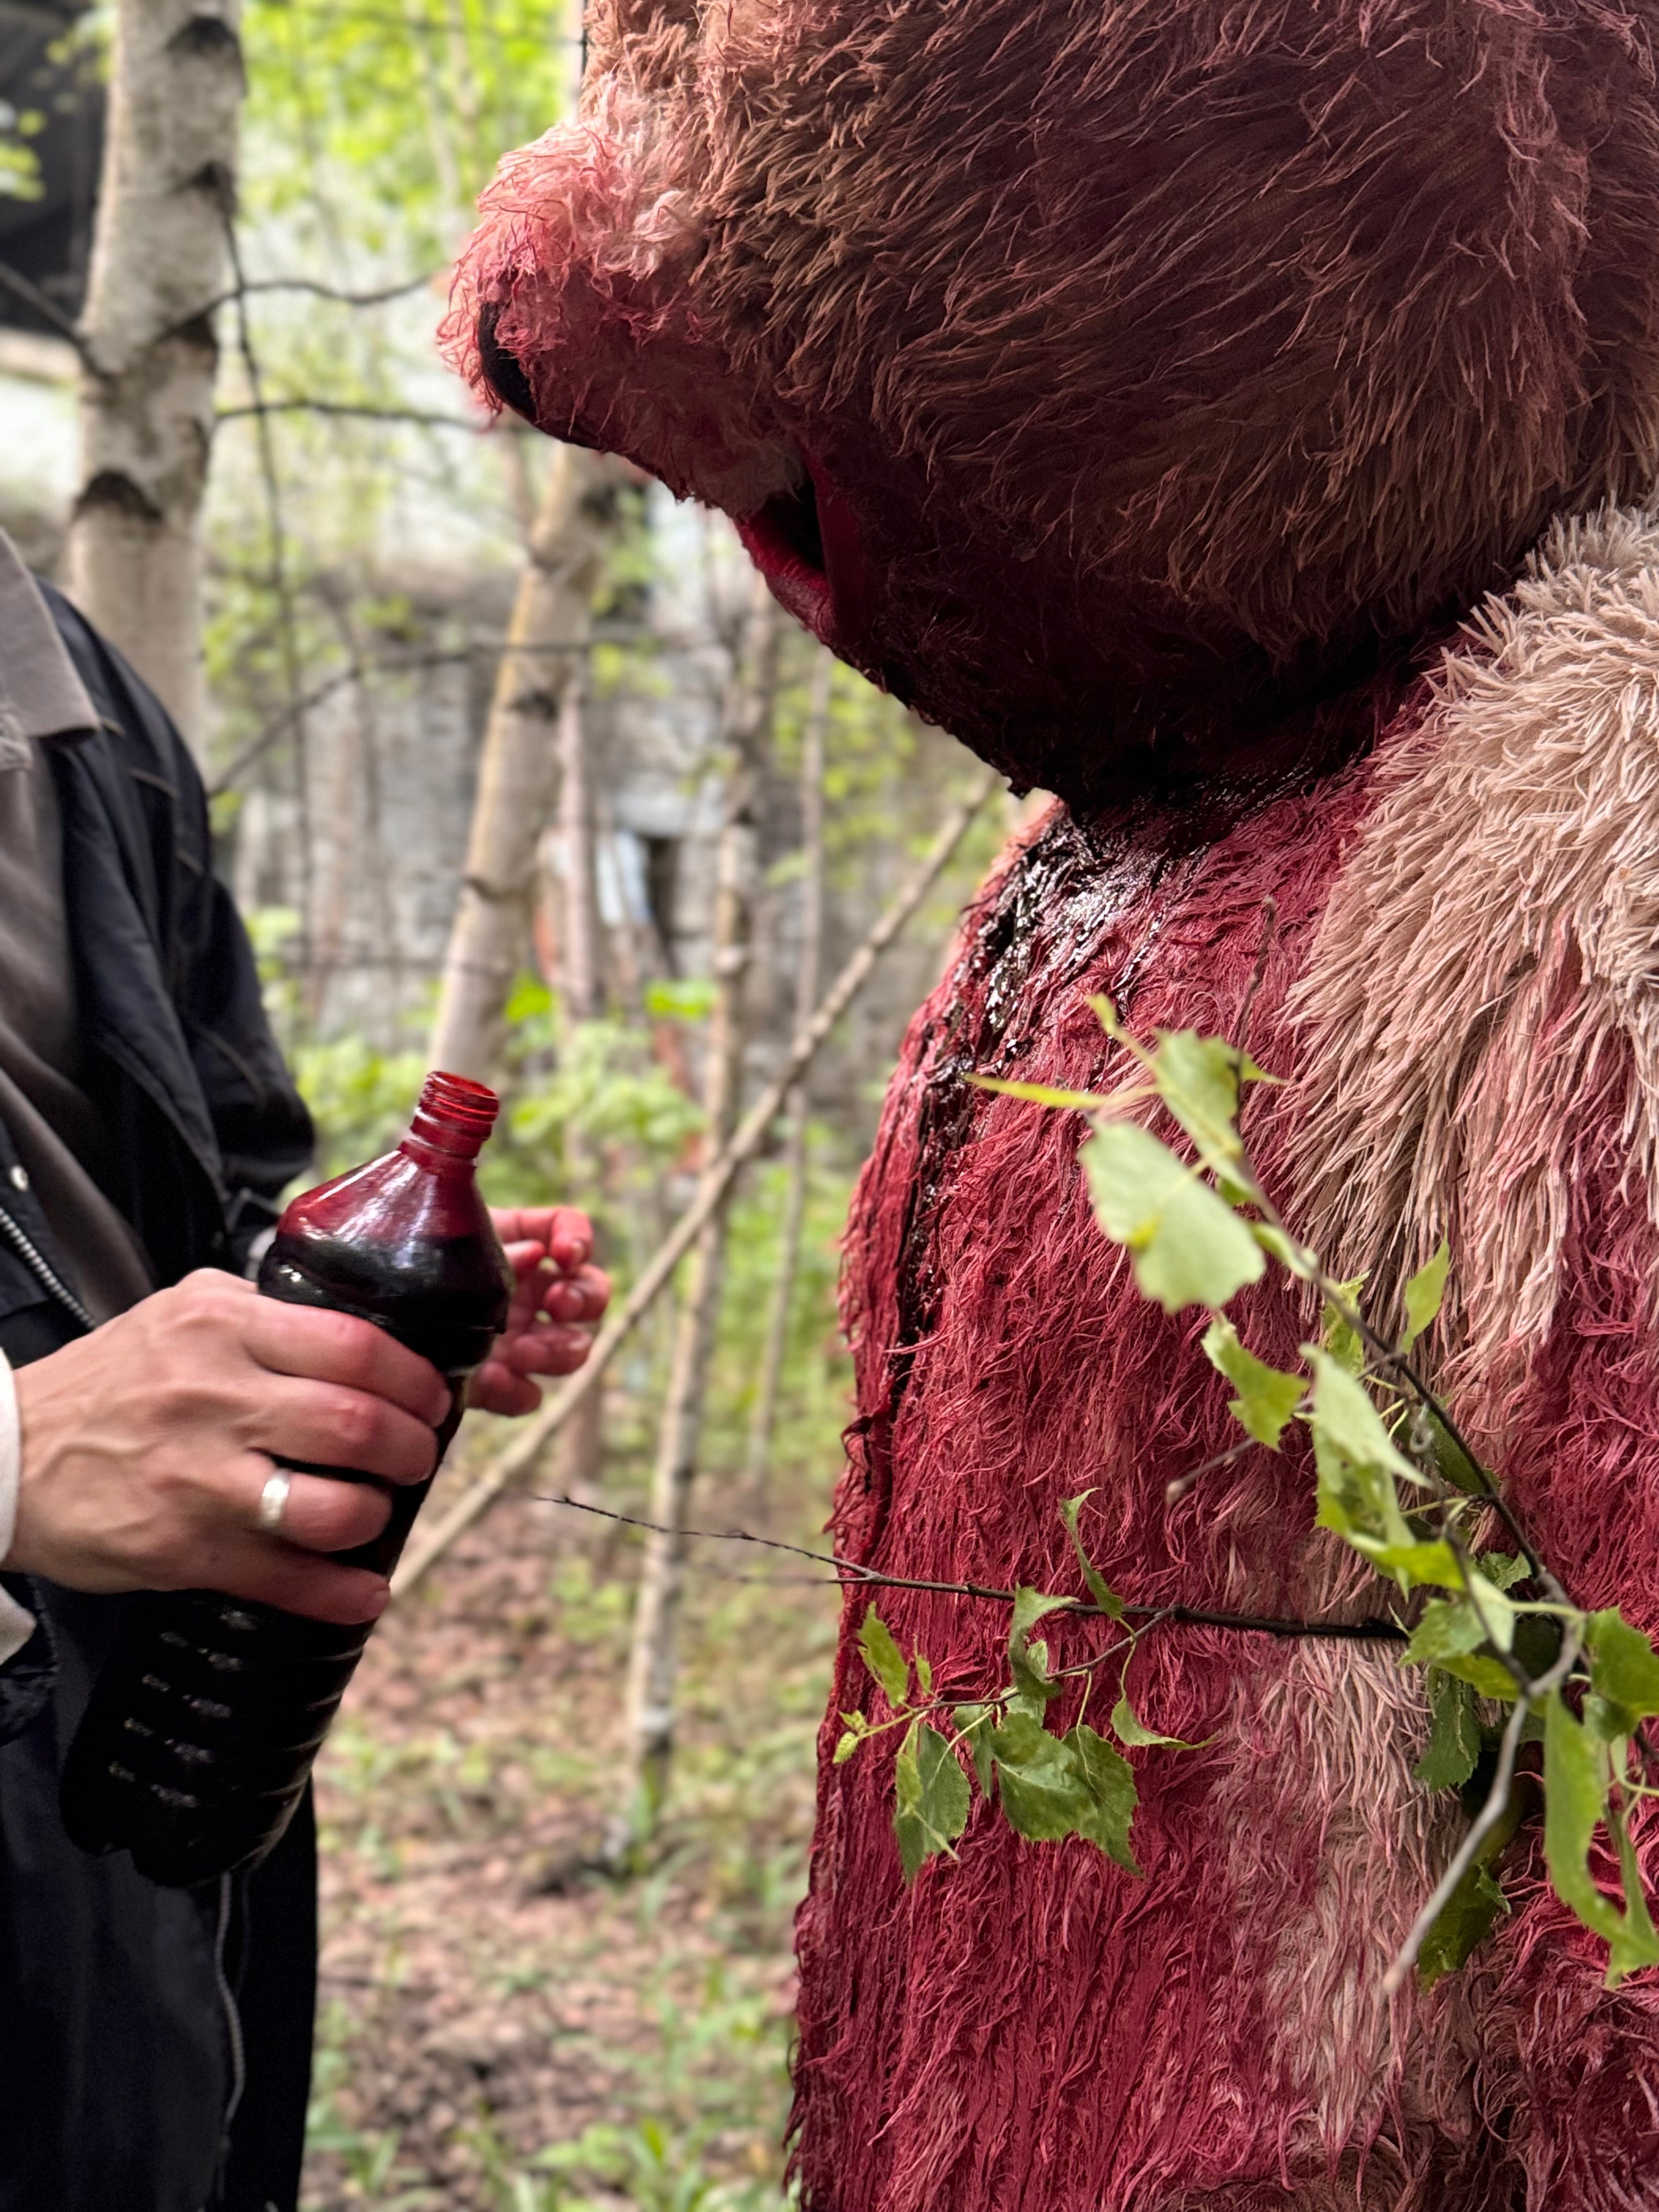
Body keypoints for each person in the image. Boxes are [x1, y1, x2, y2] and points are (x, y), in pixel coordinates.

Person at [0, 530, 608, 2212]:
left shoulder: (77, 699)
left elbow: (210, 1168)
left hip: (152, 1727)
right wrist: (13, 1446)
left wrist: (359, 1309)